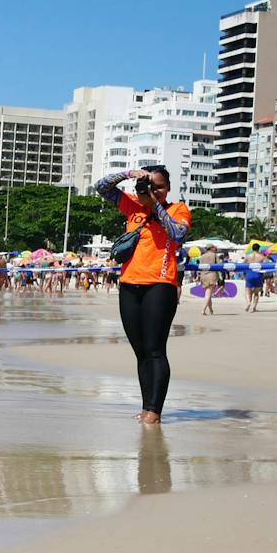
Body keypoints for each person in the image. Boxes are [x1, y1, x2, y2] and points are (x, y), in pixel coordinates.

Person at [96, 164, 191, 424]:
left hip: (160, 284)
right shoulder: (132, 207)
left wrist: (154, 204)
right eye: (150, 186)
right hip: (129, 283)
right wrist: (129, 175)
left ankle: (155, 410)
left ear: (168, 188)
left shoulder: (177, 209)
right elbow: (102, 187)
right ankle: (146, 406)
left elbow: (178, 233)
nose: (154, 191)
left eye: (159, 186)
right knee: (140, 351)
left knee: (155, 349)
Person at [244, 246, 266, 312]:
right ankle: (254, 307)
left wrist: (244, 274)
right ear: (258, 249)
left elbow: (243, 265)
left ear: (252, 248)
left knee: (248, 291)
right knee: (256, 293)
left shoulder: (248, 256)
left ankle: (248, 303)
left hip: (250, 273)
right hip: (258, 274)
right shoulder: (261, 256)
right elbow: (264, 266)